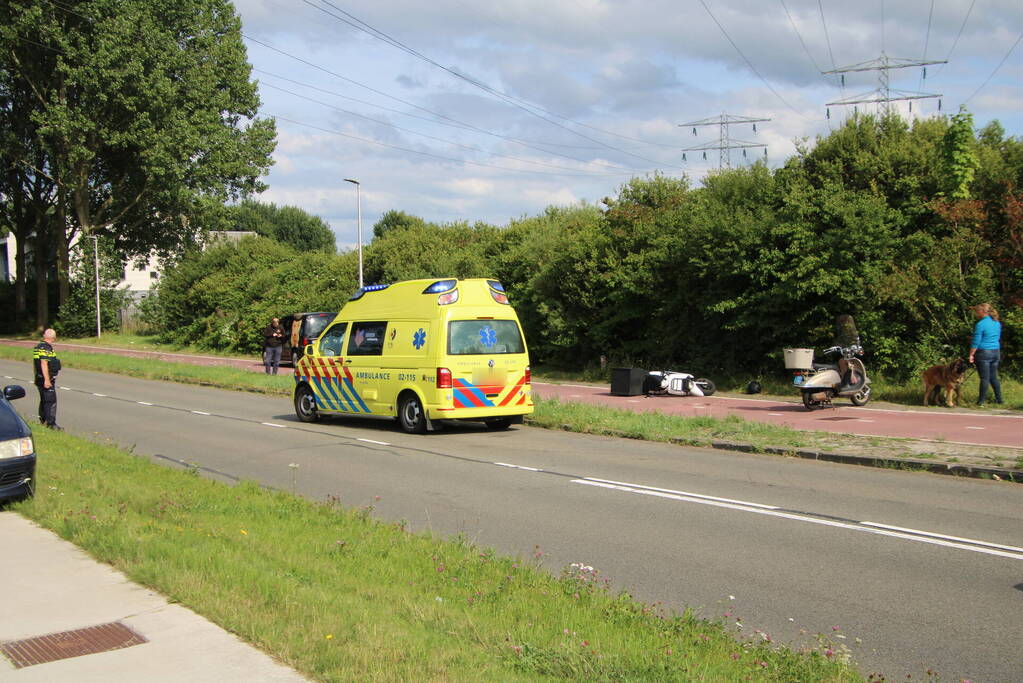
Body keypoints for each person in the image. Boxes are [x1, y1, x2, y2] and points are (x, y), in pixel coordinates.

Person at [968, 302, 1002, 407]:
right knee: (993, 377)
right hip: (995, 351)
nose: (976, 314)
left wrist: (971, 354)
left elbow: (976, 341)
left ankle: (981, 401)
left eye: (977, 311)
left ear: (982, 312)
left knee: (984, 378)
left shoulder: (981, 324)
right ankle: (999, 399)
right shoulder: (997, 323)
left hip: (984, 352)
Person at [33, 328, 61, 430]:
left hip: (39, 378)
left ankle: (43, 421)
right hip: (45, 379)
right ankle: (51, 424)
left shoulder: (38, 346)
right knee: (50, 401)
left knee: (44, 400)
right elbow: (44, 363)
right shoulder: (46, 348)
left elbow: (37, 364)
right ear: (53, 338)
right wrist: (47, 380)